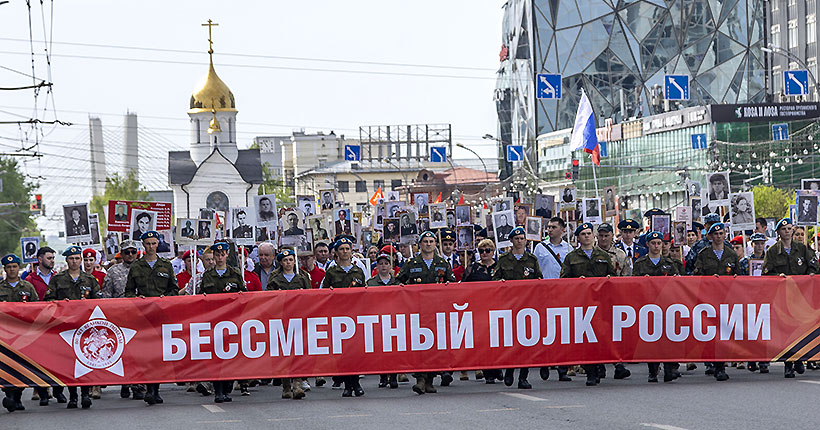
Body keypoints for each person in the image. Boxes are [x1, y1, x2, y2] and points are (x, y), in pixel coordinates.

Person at [397, 231, 455, 395]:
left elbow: (452, 286)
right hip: (417, 311)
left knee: (435, 346)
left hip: (437, 312)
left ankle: (430, 379)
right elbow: (398, 283)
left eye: (431, 241)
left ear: (436, 244)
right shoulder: (411, 263)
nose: (428, 244)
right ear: (420, 244)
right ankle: (420, 379)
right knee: (419, 345)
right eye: (425, 241)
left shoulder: (442, 263)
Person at [125, 231, 179, 405]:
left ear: (158, 244)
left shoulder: (166, 265)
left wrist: (165, 298)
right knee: (146, 355)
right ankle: (149, 388)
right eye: (147, 243)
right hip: (142, 316)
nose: (150, 247)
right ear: (143, 245)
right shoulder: (136, 266)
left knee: (158, 355)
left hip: (161, 316)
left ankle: (156, 389)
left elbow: (174, 288)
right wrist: (136, 300)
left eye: (153, 243)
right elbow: (128, 291)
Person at [560, 223, 616, 386]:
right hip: (581, 304)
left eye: (589, 233)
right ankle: (591, 371)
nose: (586, 236)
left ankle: (598, 367)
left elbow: (611, 278)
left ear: (593, 235)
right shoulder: (572, 257)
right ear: (578, 237)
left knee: (600, 337)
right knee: (587, 339)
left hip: (600, 303)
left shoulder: (603, 255)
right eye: (583, 234)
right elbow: (564, 280)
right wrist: (578, 283)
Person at [45, 246, 100, 409]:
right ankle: (73, 396)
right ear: (67, 260)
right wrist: (61, 305)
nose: (74, 261)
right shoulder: (58, 279)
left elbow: (100, 303)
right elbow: (49, 300)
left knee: (85, 361)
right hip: (65, 328)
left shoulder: (89, 280)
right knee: (69, 364)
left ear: (81, 260)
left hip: (85, 328)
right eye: (71, 258)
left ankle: (85, 395)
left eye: (77, 258)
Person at [763, 218, 819, 377]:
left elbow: (814, 267)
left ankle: (799, 359)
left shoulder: (802, 249)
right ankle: (788, 364)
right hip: (782, 298)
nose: (787, 231)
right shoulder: (772, 252)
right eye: (784, 229)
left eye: (789, 229)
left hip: (801, 297)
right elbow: (766, 273)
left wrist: (810, 276)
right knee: (786, 331)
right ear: (779, 233)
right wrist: (777, 277)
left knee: (800, 328)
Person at [492, 227, 542, 390]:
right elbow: (495, 280)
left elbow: (538, 280)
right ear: (511, 241)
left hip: (528, 307)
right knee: (510, 341)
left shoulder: (532, 259)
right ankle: (510, 369)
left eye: (522, 238)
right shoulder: (504, 259)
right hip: (509, 306)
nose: (519, 241)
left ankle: (523, 377)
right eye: (516, 238)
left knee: (526, 342)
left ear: (526, 240)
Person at [200, 243, 246, 402]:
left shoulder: (235, 274)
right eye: (217, 255)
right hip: (214, 322)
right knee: (216, 358)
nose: (219, 258)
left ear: (227, 255)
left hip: (232, 322)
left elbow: (244, 296)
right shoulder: (208, 275)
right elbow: (201, 298)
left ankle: (227, 389)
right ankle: (218, 390)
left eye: (222, 254)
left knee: (230, 357)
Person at [322, 237, 366, 397]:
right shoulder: (332, 272)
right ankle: (348, 385)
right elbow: (324, 293)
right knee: (343, 353)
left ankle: (356, 383)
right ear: (336, 252)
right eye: (342, 249)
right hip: (339, 316)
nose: (345, 252)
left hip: (356, 316)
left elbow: (365, 293)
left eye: (347, 249)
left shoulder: (358, 271)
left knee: (355, 351)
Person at [633, 231, 680, 383]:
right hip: (648, 306)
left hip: (666, 306)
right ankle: (652, 371)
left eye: (659, 243)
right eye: (653, 243)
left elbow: (678, 283)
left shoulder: (670, 263)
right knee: (651, 340)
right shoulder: (640, 263)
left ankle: (668, 370)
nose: (656, 246)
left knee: (668, 339)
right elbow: (632, 285)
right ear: (648, 244)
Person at [0, 254, 45, 411]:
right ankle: (10, 395)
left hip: (23, 334)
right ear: (5, 269)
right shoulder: (0, 288)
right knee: (6, 366)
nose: (12, 269)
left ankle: (17, 397)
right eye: (9, 267)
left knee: (21, 367)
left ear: (18, 268)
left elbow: (37, 307)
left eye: (14, 267)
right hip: (4, 335)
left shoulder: (27, 287)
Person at [693, 222, 737, 382]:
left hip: (726, 300)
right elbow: (697, 276)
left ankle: (721, 366)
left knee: (724, 333)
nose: (719, 236)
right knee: (710, 333)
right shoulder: (704, 254)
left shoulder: (731, 255)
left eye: (721, 233)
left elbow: (738, 277)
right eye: (715, 234)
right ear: (710, 236)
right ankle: (711, 362)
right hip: (708, 300)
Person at [266, 248, 311, 398]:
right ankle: (286, 385)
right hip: (282, 319)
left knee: (297, 351)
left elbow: (311, 296)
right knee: (284, 352)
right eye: (285, 260)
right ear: (280, 262)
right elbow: (268, 298)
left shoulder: (302, 277)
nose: (288, 263)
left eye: (291, 260)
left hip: (298, 318)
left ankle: (297, 383)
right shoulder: (275, 279)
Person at [365, 253, 401, 389]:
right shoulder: (371, 283)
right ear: (377, 266)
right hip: (378, 318)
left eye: (386, 263)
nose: (384, 266)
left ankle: (393, 376)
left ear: (391, 265)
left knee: (394, 349)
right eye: (381, 263)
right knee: (381, 349)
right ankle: (382, 376)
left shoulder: (397, 282)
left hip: (395, 318)